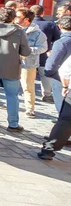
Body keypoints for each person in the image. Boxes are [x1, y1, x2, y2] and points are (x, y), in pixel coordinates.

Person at [38, 16, 71, 159]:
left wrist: (63, 84)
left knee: (65, 118)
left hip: (65, 81)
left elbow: (64, 69)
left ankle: (49, 148)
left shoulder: (62, 42)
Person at [14, 8, 47, 118]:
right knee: (11, 85)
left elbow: (43, 48)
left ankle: (30, 109)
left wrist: (26, 50)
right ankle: (10, 103)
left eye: (18, 16)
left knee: (27, 86)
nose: (15, 18)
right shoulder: (13, 29)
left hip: (27, 64)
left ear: (26, 19)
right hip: (12, 62)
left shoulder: (37, 33)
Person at [31, 4, 60, 104]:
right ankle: (47, 94)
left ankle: (29, 94)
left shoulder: (27, 23)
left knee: (28, 74)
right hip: (44, 52)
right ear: (43, 13)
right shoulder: (50, 24)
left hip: (29, 54)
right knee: (44, 75)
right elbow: (57, 38)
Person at [44, 16, 71, 113]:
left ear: (59, 26)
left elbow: (53, 62)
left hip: (61, 76)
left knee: (62, 105)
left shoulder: (61, 43)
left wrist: (48, 73)